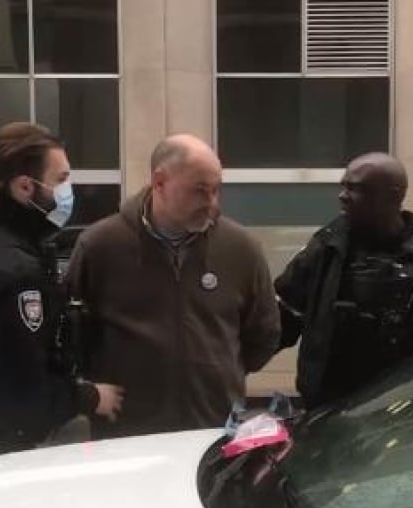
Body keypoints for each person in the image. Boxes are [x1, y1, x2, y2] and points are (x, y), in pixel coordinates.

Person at [0, 122, 124, 464]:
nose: (70, 190)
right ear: (24, 187)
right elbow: (23, 395)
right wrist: (90, 397)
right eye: (61, 179)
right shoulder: (12, 272)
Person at [66, 133, 280, 439]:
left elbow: (264, 333)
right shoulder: (101, 246)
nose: (211, 203)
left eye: (216, 190)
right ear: (160, 182)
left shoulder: (240, 249)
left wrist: (219, 372)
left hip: (213, 426)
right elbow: (74, 335)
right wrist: (93, 391)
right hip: (127, 432)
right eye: (199, 191)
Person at [275, 152, 413, 409]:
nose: (342, 196)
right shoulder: (327, 248)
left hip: (408, 410)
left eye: (357, 189)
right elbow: (282, 319)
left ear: (393, 196)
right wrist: (236, 360)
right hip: (330, 410)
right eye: (344, 187)